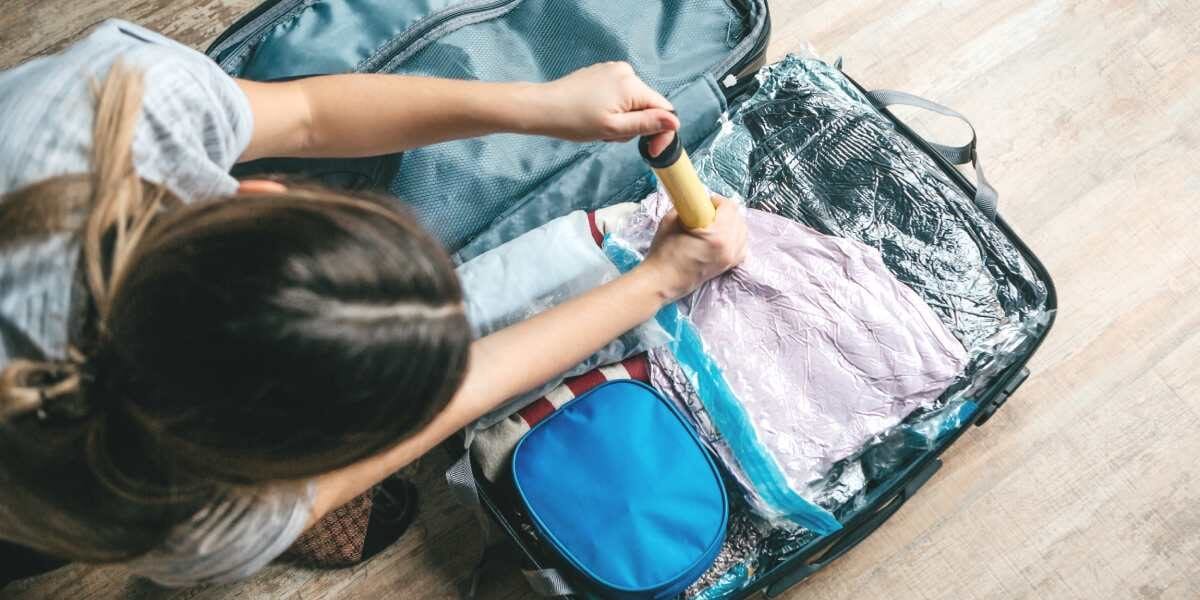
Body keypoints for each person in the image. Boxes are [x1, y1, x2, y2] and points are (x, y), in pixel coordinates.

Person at [0, 20, 748, 587]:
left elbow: (304, 116)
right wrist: (658, 281)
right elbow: (457, 396)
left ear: (264, 195)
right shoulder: (202, 527)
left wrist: (541, 105)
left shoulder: (112, 107)